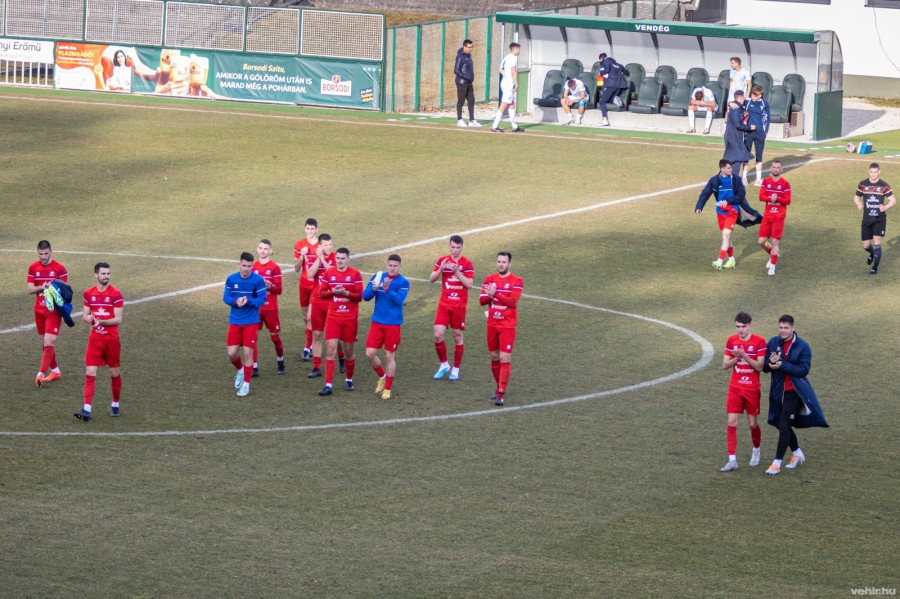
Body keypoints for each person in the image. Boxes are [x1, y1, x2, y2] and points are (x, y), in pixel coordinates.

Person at [763, 315, 829, 476]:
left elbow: (803, 370)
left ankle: (776, 463)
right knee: (780, 423)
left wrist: (782, 365)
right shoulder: (773, 342)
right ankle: (797, 453)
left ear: (793, 328)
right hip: (778, 391)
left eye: (786, 328)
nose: (783, 331)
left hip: (795, 392)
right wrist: (771, 364)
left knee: (784, 424)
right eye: (780, 327)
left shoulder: (803, 347)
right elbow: (765, 367)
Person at [74, 263, 124, 422]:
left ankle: (115, 403)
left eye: (108, 273)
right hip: (95, 339)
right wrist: (88, 318)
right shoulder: (89, 293)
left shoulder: (116, 294)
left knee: (114, 372)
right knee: (90, 372)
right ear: (96, 275)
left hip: (111, 340)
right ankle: (86, 409)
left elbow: (118, 319)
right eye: (103, 274)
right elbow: (85, 315)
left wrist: (100, 322)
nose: (106, 276)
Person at [719, 312, 766, 472]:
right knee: (731, 422)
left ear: (750, 326)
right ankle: (732, 460)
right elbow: (725, 365)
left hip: (752, 389)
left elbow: (760, 367)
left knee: (752, 424)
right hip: (735, 388)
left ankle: (756, 450)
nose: (740, 330)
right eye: (738, 326)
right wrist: (736, 359)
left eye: (743, 327)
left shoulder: (759, 341)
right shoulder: (732, 340)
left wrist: (744, 355)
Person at [363, 254, 410, 401]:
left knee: (390, 356)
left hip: (393, 325)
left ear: (400, 266)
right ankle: (382, 377)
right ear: (387, 265)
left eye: (395, 266)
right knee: (369, 354)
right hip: (377, 323)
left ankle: (388, 388)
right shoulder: (378, 276)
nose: (392, 268)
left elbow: (399, 301)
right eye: (390, 265)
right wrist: (374, 290)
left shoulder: (404, 282)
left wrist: (388, 289)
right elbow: (365, 296)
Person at [317, 247, 363, 396]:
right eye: (338, 258)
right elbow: (322, 294)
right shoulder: (329, 273)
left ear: (348, 259)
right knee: (330, 350)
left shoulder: (355, 274)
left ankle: (349, 379)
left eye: (343, 258)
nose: (340, 261)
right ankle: (328, 385)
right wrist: (333, 292)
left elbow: (359, 296)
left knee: (349, 352)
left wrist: (345, 293)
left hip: (350, 319)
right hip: (333, 318)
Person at [479, 252, 523, 406]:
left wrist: (495, 293)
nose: (501, 264)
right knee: (494, 356)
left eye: (504, 262)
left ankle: (501, 393)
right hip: (492, 324)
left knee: (505, 358)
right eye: (499, 261)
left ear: (510, 264)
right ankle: (498, 387)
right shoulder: (489, 279)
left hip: (507, 325)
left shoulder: (517, 281)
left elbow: (513, 302)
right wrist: (490, 295)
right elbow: (482, 301)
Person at [430, 235, 474, 381]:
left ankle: (455, 369)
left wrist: (456, 271)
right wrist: (440, 269)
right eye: (453, 247)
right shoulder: (443, 260)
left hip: (459, 306)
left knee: (457, 336)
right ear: (449, 246)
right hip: (444, 304)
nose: (455, 250)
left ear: (462, 247)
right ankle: (444, 365)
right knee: (437, 335)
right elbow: (431, 279)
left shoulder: (467, 264)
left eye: (458, 247)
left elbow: (469, 284)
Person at [223, 252, 267, 397]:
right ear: (239, 265)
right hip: (235, 321)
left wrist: (248, 301)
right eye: (244, 265)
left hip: (251, 322)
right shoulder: (231, 279)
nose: (246, 269)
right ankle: (241, 370)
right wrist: (236, 302)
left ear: (252, 266)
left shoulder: (258, 281)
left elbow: (261, 300)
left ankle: (246, 385)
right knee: (232, 353)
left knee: (248, 353)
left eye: (249, 266)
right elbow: (226, 297)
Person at [27, 240, 68, 388]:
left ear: (51, 251)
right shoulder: (33, 268)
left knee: (49, 342)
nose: (43, 257)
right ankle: (55, 371)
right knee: (44, 342)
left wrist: (54, 288)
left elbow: (65, 291)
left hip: (53, 312)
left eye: (45, 254)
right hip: (39, 310)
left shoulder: (60, 268)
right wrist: (43, 287)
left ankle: (41, 374)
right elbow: (29, 289)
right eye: (40, 254)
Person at [695, 159, 748, 270]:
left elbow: (741, 194)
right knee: (727, 237)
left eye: (731, 168)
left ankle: (719, 261)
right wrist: (699, 207)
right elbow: (705, 194)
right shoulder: (714, 180)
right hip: (720, 212)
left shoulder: (736, 180)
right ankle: (732, 259)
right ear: (722, 169)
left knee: (726, 235)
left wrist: (728, 201)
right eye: (729, 168)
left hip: (732, 211)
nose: (731, 170)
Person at [853, 162, 895, 275]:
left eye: (875, 172)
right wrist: (858, 204)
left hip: (879, 218)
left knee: (877, 241)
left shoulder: (884, 185)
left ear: (879, 172)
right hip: (867, 219)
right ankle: (872, 253)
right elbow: (856, 197)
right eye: (871, 172)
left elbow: (893, 200)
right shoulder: (862, 184)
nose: (873, 174)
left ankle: (875, 267)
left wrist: (885, 207)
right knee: (866, 245)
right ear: (869, 172)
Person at [252, 239, 284, 377]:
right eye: (261, 248)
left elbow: (279, 289)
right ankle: (254, 367)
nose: (263, 251)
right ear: (257, 249)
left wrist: (268, 285)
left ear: (270, 251)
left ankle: (280, 360)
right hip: (256, 308)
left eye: (266, 248)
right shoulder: (252, 267)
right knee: (252, 337)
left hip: (271, 308)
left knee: (275, 338)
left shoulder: (274, 267)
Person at [306, 233, 337, 378]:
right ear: (320, 246)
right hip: (318, 300)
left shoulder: (338, 257)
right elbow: (310, 274)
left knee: (336, 336)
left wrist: (323, 259)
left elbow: (334, 274)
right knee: (317, 333)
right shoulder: (314, 257)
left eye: (330, 244)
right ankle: (317, 367)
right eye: (326, 245)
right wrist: (319, 259)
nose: (329, 247)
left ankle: (342, 357)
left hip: (332, 300)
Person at [758, 159, 792, 276]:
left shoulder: (785, 184)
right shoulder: (766, 181)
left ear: (781, 170)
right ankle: (773, 255)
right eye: (774, 167)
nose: (776, 169)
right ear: (771, 169)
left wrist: (777, 199)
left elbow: (788, 200)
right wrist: (770, 199)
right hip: (767, 216)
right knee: (762, 241)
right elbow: (761, 196)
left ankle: (772, 266)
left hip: (778, 217)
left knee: (775, 241)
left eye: (778, 168)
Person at [293, 218, 319, 361]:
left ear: (317, 229)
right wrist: (302, 256)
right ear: (305, 229)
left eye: (312, 229)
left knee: (310, 317)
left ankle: (307, 347)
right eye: (308, 229)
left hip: (315, 286)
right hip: (303, 285)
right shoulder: (299, 244)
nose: (310, 231)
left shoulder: (320, 246)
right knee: (305, 318)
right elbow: (296, 269)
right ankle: (309, 344)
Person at [741, 85, 770, 185]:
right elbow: (737, 104)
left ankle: (758, 179)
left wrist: (765, 131)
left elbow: (768, 118)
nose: (753, 96)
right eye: (752, 94)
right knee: (746, 155)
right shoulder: (747, 101)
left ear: (760, 95)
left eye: (755, 95)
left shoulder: (764, 104)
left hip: (760, 133)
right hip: (748, 132)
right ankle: (744, 178)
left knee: (759, 156)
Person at [490, 43, 522, 133]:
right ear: (515, 49)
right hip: (508, 84)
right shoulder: (513, 58)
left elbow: (500, 69)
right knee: (504, 104)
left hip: (504, 82)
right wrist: (516, 83)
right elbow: (513, 71)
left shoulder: (506, 57)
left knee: (512, 103)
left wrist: (505, 75)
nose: (519, 51)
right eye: (518, 49)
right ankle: (494, 126)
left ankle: (514, 126)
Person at [723, 90, 754, 179]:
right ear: (740, 97)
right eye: (743, 97)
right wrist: (749, 127)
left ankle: (730, 178)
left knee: (733, 158)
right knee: (736, 158)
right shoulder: (736, 108)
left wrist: (729, 103)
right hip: (734, 137)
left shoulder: (738, 106)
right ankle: (732, 180)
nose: (744, 99)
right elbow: (738, 125)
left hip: (733, 136)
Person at [596, 52, 628, 128]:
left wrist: (601, 73)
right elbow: (623, 68)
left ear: (601, 59)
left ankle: (604, 120)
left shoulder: (605, 61)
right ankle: (614, 99)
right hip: (619, 85)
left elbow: (606, 70)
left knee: (602, 101)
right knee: (608, 99)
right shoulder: (616, 64)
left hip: (611, 84)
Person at [454, 39, 480, 128]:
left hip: (469, 83)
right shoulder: (460, 56)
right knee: (461, 101)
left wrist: (470, 78)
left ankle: (472, 120)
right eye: (469, 47)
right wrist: (466, 77)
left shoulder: (469, 56)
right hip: (462, 82)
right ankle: (459, 120)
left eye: (471, 47)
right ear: (464, 47)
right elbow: (456, 70)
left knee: (471, 100)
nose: (470, 49)